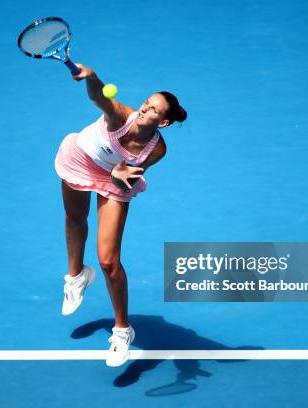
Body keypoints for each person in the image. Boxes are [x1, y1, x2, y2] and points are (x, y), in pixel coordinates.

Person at [54, 63, 187, 367]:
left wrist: (116, 173)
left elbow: (126, 175)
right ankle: (76, 277)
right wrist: (92, 78)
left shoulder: (156, 150)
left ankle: (122, 330)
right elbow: (102, 99)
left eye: (152, 109)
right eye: (145, 103)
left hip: (114, 180)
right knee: (75, 219)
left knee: (108, 260)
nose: (144, 109)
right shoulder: (121, 117)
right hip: (80, 160)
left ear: (163, 122)